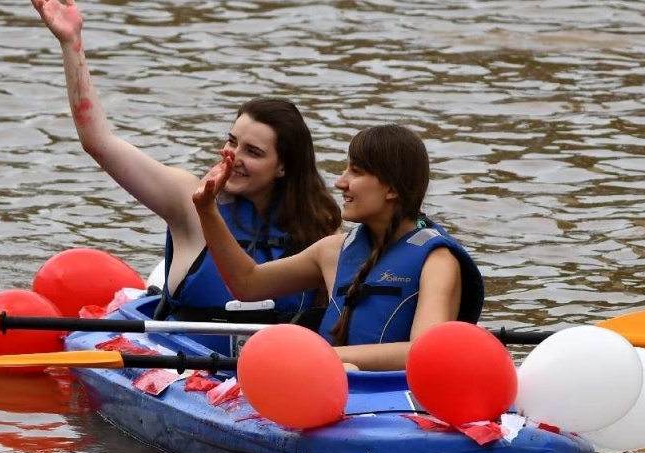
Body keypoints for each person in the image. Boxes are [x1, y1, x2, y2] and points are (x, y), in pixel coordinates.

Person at [24, 0, 340, 329]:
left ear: (283, 167)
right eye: (232, 142)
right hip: (185, 368)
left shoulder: (320, 224)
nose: (233, 157)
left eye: (252, 151)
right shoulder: (187, 201)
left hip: (279, 367)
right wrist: (72, 44)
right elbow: (99, 142)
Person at [193, 123, 484, 371]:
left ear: (392, 189)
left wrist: (323, 356)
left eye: (355, 172)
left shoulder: (437, 260)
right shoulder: (333, 251)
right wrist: (207, 209)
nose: (340, 182)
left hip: (391, 401)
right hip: (328, 387)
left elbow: (423, 353)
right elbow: (247, 284)